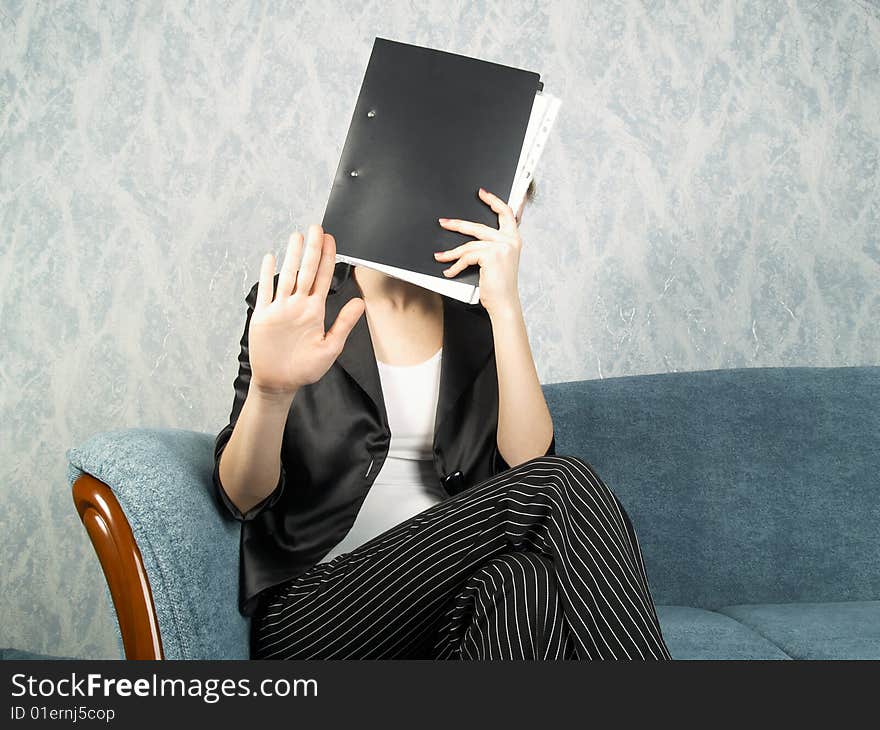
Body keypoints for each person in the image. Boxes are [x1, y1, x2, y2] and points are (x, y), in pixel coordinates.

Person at [213, 181, 672, 660]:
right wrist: (271, 391)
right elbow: (240, 497)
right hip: (318, 613)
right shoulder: (302, 306)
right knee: (560, 486)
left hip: (446, 603)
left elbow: (527, 465)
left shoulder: (476, 320)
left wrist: (505, 307)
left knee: (523, 580)